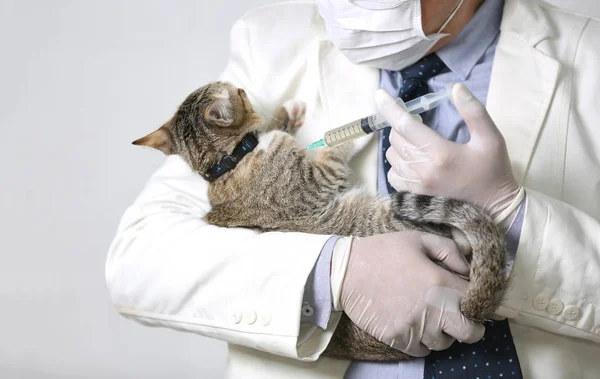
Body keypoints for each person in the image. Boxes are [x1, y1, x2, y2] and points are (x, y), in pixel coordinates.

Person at [105, 0, 600, 378]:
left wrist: (513, 217)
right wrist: (335, 269)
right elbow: (139, 259)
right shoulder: (272, 43)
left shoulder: (589, 56)